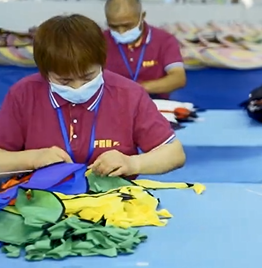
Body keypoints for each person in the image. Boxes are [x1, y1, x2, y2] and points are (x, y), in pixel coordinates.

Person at [0, 14, 186, 177]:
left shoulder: (129, 95)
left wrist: (132, 163)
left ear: (102, 63)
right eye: (64, 81)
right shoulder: (23, 95)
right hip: (40, 201)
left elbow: (174, 154)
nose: (77, 87)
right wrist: (32, 158)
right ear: (44, 72)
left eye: (88, 77)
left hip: (114, 202)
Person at [104, 0, 186, 99]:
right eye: (113, 26)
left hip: (154, 102)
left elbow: (178, 78)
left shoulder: (164, 40)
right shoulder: (99, 41)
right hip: (111, 102)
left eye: (127, 26)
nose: (121, 31)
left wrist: (138, 88)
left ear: (142, 16)